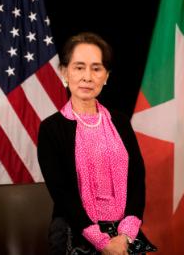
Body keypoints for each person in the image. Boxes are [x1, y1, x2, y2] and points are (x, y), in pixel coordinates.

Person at [38, 32, 146, 255]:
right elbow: (62, 193)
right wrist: (103, 242)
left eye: (96, 68)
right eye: (79, 67)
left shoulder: (121, 122)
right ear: (64, 72)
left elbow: (137, 179)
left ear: (106, 76)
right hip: (74, 231)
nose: (87, 77)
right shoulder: (51, 129)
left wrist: (125, 235)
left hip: (125, 233)